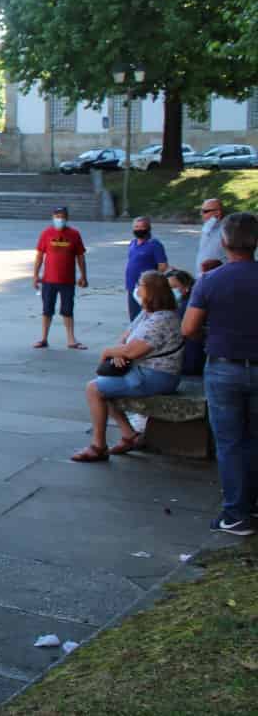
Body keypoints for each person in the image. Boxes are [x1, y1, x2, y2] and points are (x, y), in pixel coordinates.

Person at [182, 212, 258, 536]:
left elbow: (188, 328)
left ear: (224, 242)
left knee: (229, 442)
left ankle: (236, 513)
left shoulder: (210, 281)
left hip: (224, 366)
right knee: (254, 439)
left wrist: (210, 337)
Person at [70, 271, 184, 462]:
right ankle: (129, 435)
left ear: (151, 291)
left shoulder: (161, 320)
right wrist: (119, 354)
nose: (137, 289)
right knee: (104, 385)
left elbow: (132, 352)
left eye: (140, 285)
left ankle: (98, 446)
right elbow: (126, 338)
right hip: (143, 369)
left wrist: (110, 353)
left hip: (156, 375)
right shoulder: (147, 313)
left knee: (94, 389)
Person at [33, 205, 89, 350]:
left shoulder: (74, 234)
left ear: (67, 218)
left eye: (62, 216)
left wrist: (83, 276)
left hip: (67, 280)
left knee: (68, 310)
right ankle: (43, 338)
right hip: (48, 280)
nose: (60, 219)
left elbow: (80, 257)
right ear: (53, 217)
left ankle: (71, 339)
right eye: (57, 216)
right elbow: (39, 255)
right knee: (47, 310)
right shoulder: (46, 233)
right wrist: (35, 275)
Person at [125, 216, 169, 320]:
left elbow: (163, 266)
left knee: (146, 316)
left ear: (148, 228)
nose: (139, 230)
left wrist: (154, 283)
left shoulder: (155, 244)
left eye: (142, 227)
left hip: (147, 287)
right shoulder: (132, 243)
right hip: (132, 286)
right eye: (136, 227)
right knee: (134, 317)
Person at [167, 269, 206, 376]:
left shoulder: (187, 306)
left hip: (191, 360)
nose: (170, 291)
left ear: (186, 287)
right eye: (167, 288)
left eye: (174, 287)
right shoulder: (184, 303)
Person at [196, 198, 226, 274]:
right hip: (202, 276)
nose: (201, 214)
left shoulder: (227, 230)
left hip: (218, 276)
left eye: (205, 211)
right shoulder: (207, 226)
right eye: (201, 211)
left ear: (218, 212)